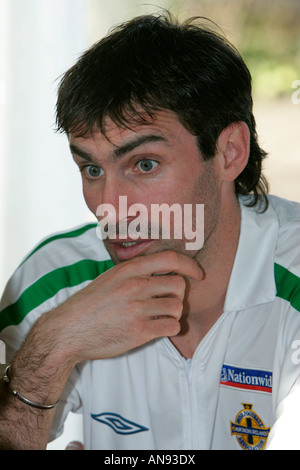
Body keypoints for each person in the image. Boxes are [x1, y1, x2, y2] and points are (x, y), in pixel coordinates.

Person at [0, 12, 299, 450]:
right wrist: (53, 346)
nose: (109, 204)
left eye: (145, 164)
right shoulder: (52, 287)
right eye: (91, 168)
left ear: (229, 153)